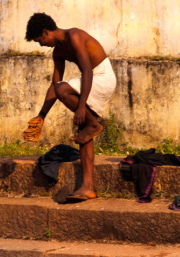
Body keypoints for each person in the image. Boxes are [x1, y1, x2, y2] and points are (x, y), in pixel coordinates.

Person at [24, 12, 116, 202]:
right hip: (90, 80)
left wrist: (81, 106)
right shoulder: (58, 51)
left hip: (102, 77)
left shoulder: (74, 35)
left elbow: (87, 71)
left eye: (40, 40)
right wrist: (41, 115)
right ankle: (87, 187)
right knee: (83, 129)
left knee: (66, 93)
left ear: (45, 31)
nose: (42, 45)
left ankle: (94, 125)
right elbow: (54, 84)